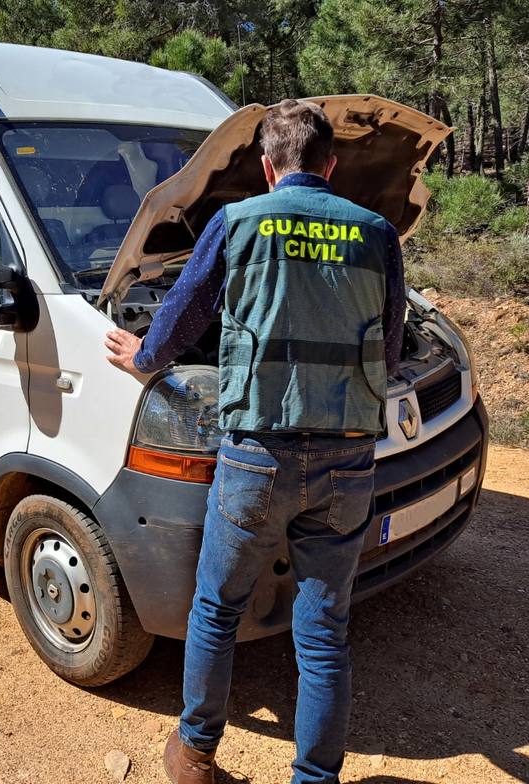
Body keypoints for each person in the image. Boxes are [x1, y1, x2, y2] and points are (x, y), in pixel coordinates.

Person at [105, 99, 405, 784]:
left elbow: (185, 312)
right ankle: (315, 780)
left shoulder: (236, 221)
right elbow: (386, 350)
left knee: (217, 607)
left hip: (256, 458)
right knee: (324, 631)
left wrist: (144, 359)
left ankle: (194, 756)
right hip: (347, 459)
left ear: (270, 168)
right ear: (330, 165)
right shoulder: (377, 233)